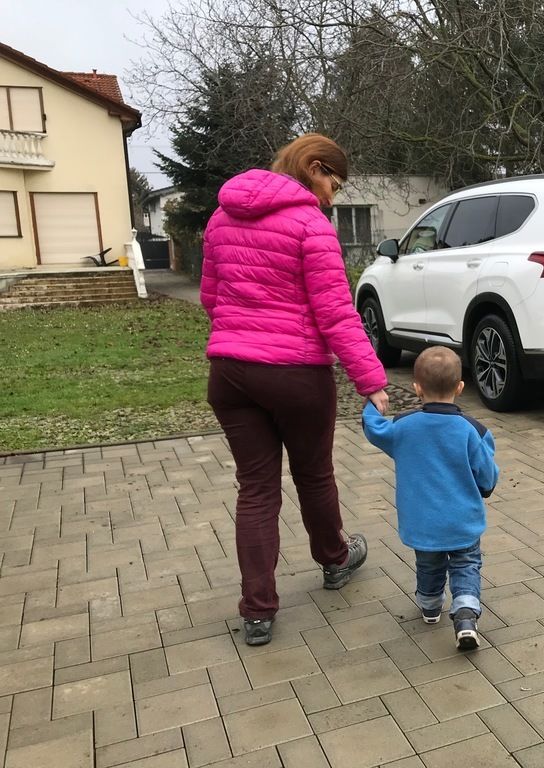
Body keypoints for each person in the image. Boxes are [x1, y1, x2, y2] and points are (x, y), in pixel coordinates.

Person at [201, 133, 389, 646]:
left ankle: (257, 611)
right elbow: (335, 313)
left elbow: (210, 297)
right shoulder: (310, 224)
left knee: (256, 489)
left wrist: (242, 334)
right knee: (313, 474)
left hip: (230, 373)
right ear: (314, 167)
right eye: (334, 182)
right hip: (296, 374)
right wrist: (372, 380)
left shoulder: (220, 218)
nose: (333, 194)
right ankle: (335, 560)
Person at [362, 346, 499, 649]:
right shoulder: (473, 430)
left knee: (428, 565)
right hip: (462, 520)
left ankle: (430, 606)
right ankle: (465, 615)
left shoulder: (404, 427)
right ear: (460, 387)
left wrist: (372, 402)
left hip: (422, 521)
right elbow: (487, 476)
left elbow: (374, 429)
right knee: (466, 564)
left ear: (417, 388)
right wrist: (486, 486)